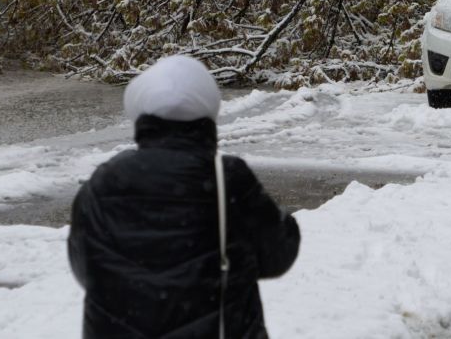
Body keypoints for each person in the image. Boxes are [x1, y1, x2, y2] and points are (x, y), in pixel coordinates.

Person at [68, 55, 300, 338]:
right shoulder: (228, 180)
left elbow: (84, 268)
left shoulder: (104, 181)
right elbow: (278, 255)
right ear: (207, 115)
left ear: (143, 116)